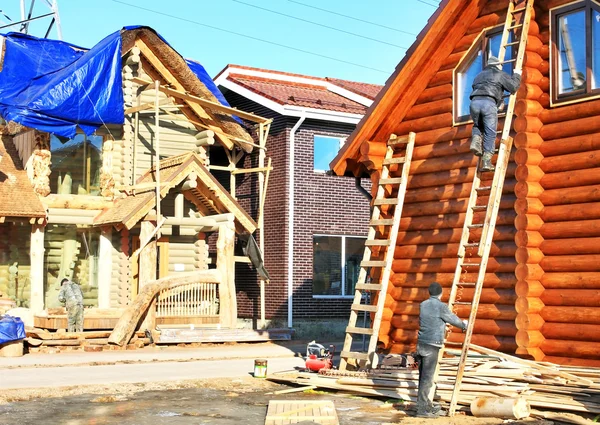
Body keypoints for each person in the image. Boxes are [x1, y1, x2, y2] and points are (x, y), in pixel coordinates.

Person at [416, 282, 468, 418]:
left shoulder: (423, 305)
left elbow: (429, 320)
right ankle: (422, 410)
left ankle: (426, 405)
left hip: (421, 343)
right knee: (427, 378)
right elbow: (453, 319)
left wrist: (441, 325)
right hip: (432, 345)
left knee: (423, 376)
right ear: (441, 293)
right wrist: (464, 325)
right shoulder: (441, 306)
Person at [469, 56, 522, 172]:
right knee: (490, 132)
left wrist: (499, 100)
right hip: (488, 103)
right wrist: (517, 74)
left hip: (474, 103)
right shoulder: (499, 73)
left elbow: (482, 89)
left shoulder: (478, 76)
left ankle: (476, 140)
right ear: (498, 65)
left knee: (478, 125)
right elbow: (513, 87)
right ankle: (487, 162)